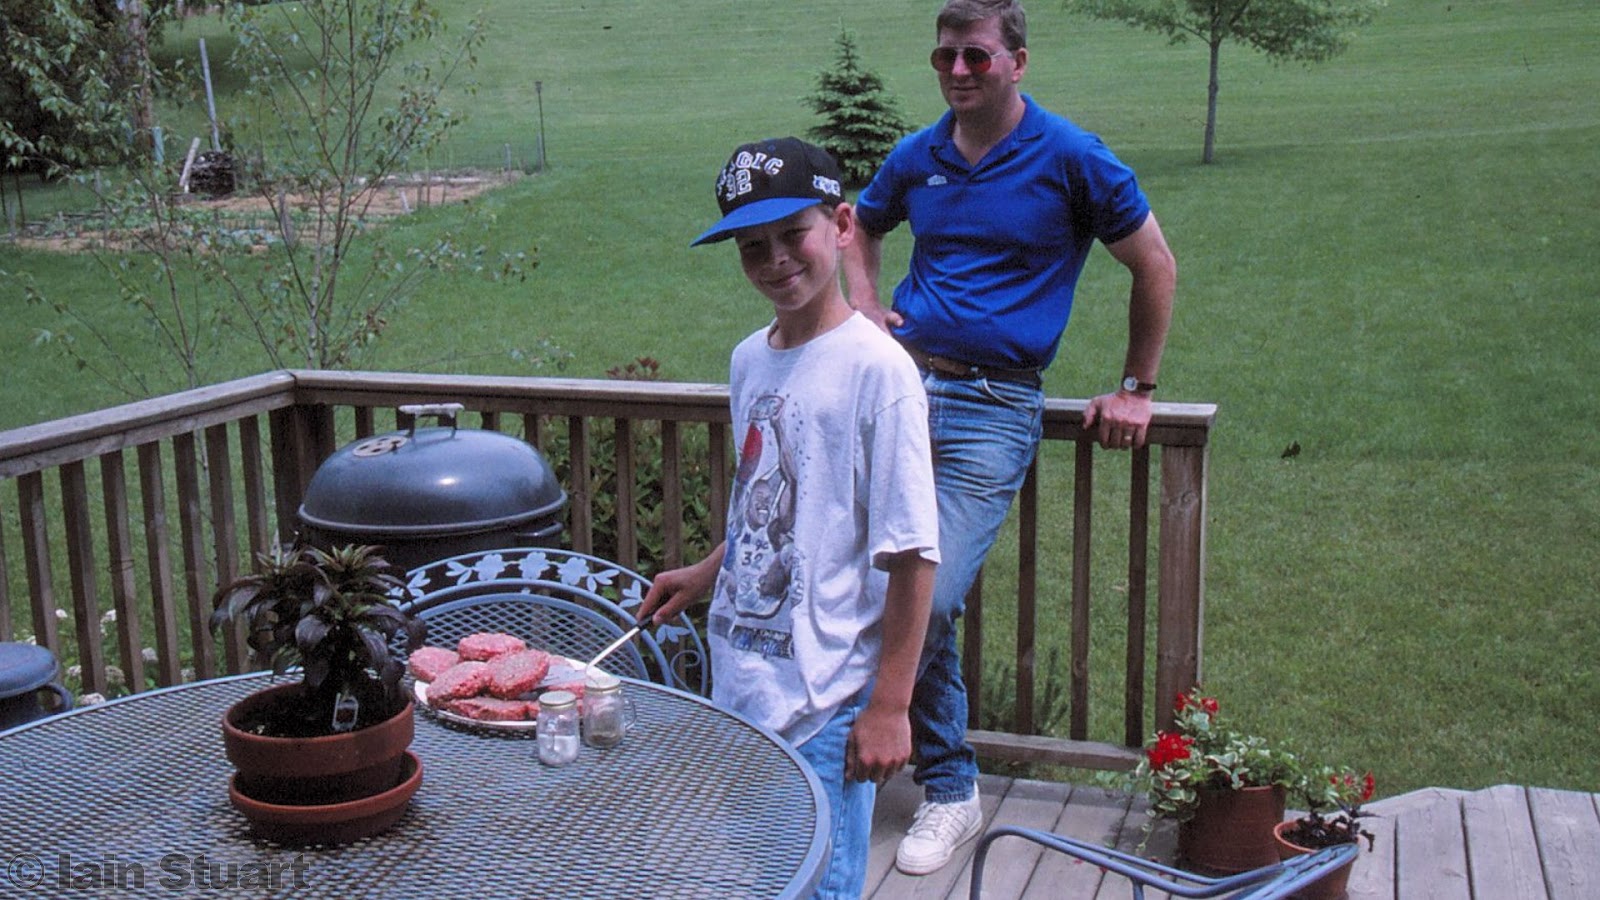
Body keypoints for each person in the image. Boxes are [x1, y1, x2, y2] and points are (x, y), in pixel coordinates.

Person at [840, 0, 1179, 876]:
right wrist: (866, 308)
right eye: (945, 56)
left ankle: (949, 789)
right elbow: (859, 224)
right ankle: (934, 777)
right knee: (875, 574)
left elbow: (1154, 264)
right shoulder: (921, 155)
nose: (958, 71)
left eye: (977, 58)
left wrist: (1138, 388)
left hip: (995, 408)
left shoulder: (1071, 156)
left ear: (1018, 63)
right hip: (905, 392)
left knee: (931, 591)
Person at [639, 136, 940, 900]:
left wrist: (890, 706)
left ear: (841, 224)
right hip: (743, 685)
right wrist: (706, 574)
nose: (776, 260)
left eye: (792, 234)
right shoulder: (751, 359)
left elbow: (912, 555)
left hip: (826, 700)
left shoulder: (879, 372)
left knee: (816, 888)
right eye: (752, 246)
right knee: (761, 877)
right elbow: (769, 503)